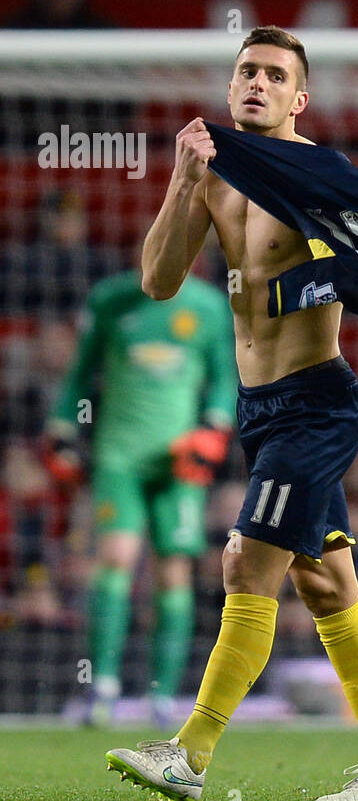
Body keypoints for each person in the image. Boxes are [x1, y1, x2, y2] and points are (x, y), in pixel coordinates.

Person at [105, 26, 358, 801]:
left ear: (299, 99)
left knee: (245, 564)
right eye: (246, 70)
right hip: (261, 411)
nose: (256, 82)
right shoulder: (216, 177)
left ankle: (190, 753)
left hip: (316, 404)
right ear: (230, 88)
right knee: (326, 583)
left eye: (274, 75)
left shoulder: (319, 178)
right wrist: (183, 179)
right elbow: (156, 280)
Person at [44, 265, 236, 726]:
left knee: (172, 573)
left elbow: (225, 378)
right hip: (119, 458)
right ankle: (103, 686)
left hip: (179, 460)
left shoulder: (209, 306)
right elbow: (80, 371)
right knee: (115, 559)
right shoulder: (111, 299)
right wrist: (62, 427)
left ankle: (162, 696)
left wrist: (214, 426)